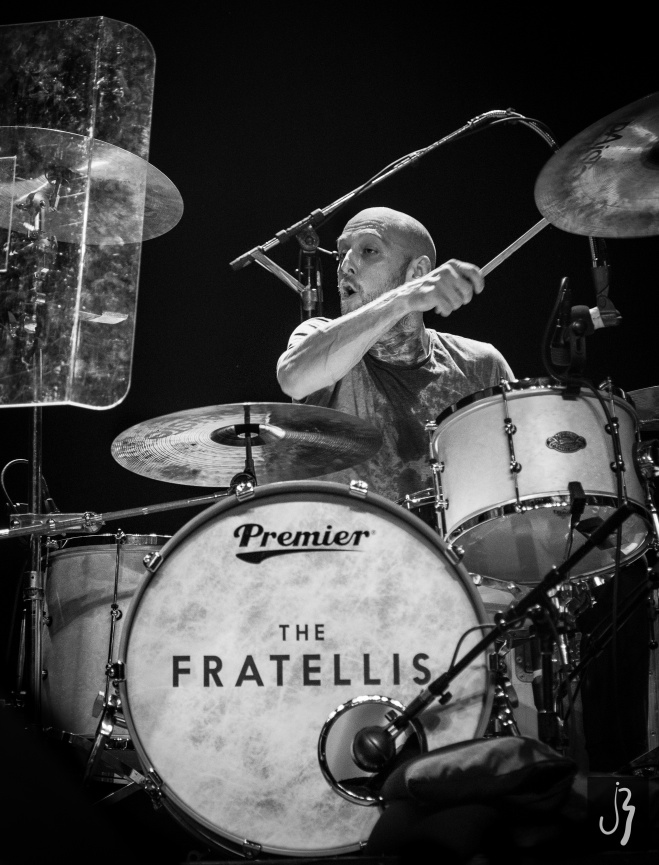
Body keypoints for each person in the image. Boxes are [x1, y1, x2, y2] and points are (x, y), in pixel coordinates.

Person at [276, 206, 514, 502]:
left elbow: (519, 476)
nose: (345, 266)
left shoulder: (481, 365)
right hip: (344, 530)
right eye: (341, 253)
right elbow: (293, 378)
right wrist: (403, 298)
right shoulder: (318, 337)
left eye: (369, 251)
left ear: (418, 273)